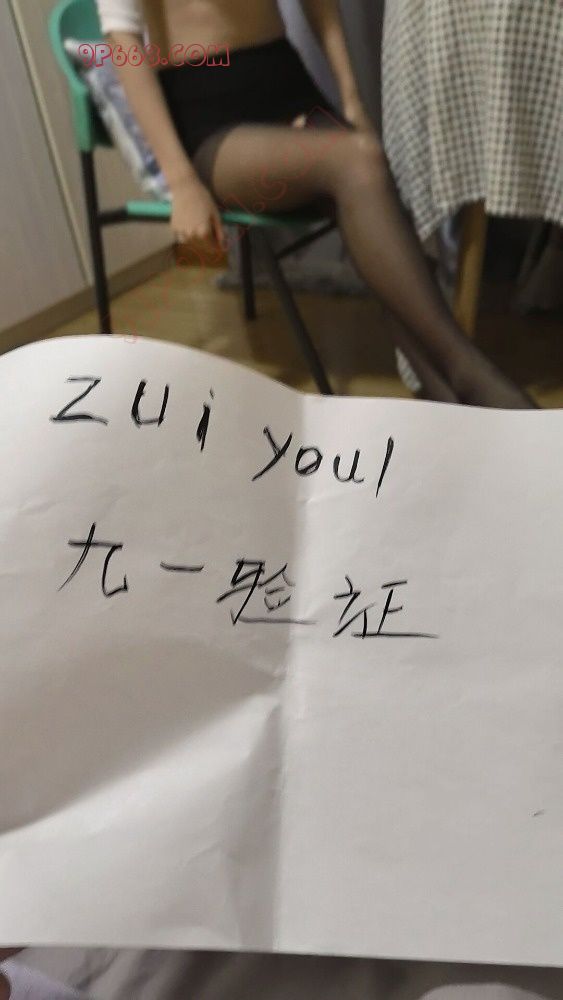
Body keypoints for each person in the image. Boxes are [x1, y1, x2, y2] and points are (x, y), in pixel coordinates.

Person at [96, 0, 534, 409]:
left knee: (367, 185)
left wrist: (352, 101)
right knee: (357, 162)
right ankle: (470, 374)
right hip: (210, 115)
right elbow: (123, 42)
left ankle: (448, 401)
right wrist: (182, 183)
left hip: (288, 83)